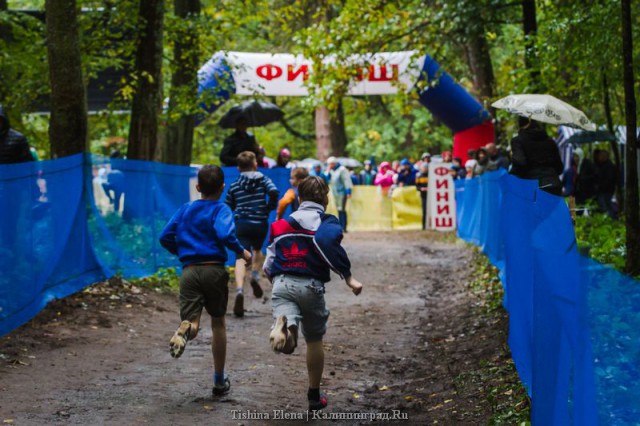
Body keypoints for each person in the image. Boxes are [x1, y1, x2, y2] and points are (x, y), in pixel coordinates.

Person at [263, 176, 364, 412]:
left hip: (282, 283)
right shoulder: (326, 222)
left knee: (287, 346)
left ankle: (283, 327)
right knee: (314, 340)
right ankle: (314, 396)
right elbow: (331, 245)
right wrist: (347, 276)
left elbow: (269, 263)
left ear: (299, 199)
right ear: (326, 199)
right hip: (311, 285)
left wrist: (275, 279)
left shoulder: (279, 225)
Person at [159, 165, 252, 397]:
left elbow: (164, 236)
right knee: (218, 323)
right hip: (213, 270)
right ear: (222, 187)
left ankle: (184, 330)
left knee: (194, 324)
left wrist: (183, 251)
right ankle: (219, 381)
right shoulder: (221, 209)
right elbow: (224, 234)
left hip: (189, 271)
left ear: (198, 187)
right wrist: (241, 252)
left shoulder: (185, 209)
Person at [225, 151, 279, 317]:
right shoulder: (263, 179)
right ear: (255, 164)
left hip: (241, 223)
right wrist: (269, 207)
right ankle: (255, 275)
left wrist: (236, 211)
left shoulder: (235, 184)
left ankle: (240, 289)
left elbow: (228, 204)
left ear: (238, 167)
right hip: (260, 222)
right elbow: (274, 191)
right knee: (257, 250)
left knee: (241, 257)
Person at [509, 117, 564, 196]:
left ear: (519, 125)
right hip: (554, 185)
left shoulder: (518, 141)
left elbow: (520, 162)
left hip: (532, 187)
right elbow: (559, 168)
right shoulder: (550, 141)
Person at [326, 156, 353, 232]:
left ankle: (344, 227)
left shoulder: (342, 169)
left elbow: (346, 180)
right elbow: (328, 180)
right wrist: (328, 172)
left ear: (334, 163)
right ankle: (340, 225)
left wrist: (348, 191)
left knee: (342, 209)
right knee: (339, 209)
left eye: (330, 164)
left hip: (342, 192)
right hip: (336, 193)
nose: (329, 166)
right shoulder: (331, 171)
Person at [594, 149, 617, 219]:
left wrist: (600, 186)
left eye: (601, 156)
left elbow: (608, 180)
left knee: (607, 206)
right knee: (606, 205)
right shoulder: (601, 166)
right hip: (604, 190)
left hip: (606, 191)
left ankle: (611, 218)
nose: (599, 158)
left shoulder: (609, 166)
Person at [415, 162, 429, 230]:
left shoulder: (430, 175)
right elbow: (417, 187)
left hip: (431, 196)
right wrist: (421, 189)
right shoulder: (418, 176)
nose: (424, 169)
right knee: (424, 210)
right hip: (423, 195)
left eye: (426, 168)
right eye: (423, 168)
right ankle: (424, 226)